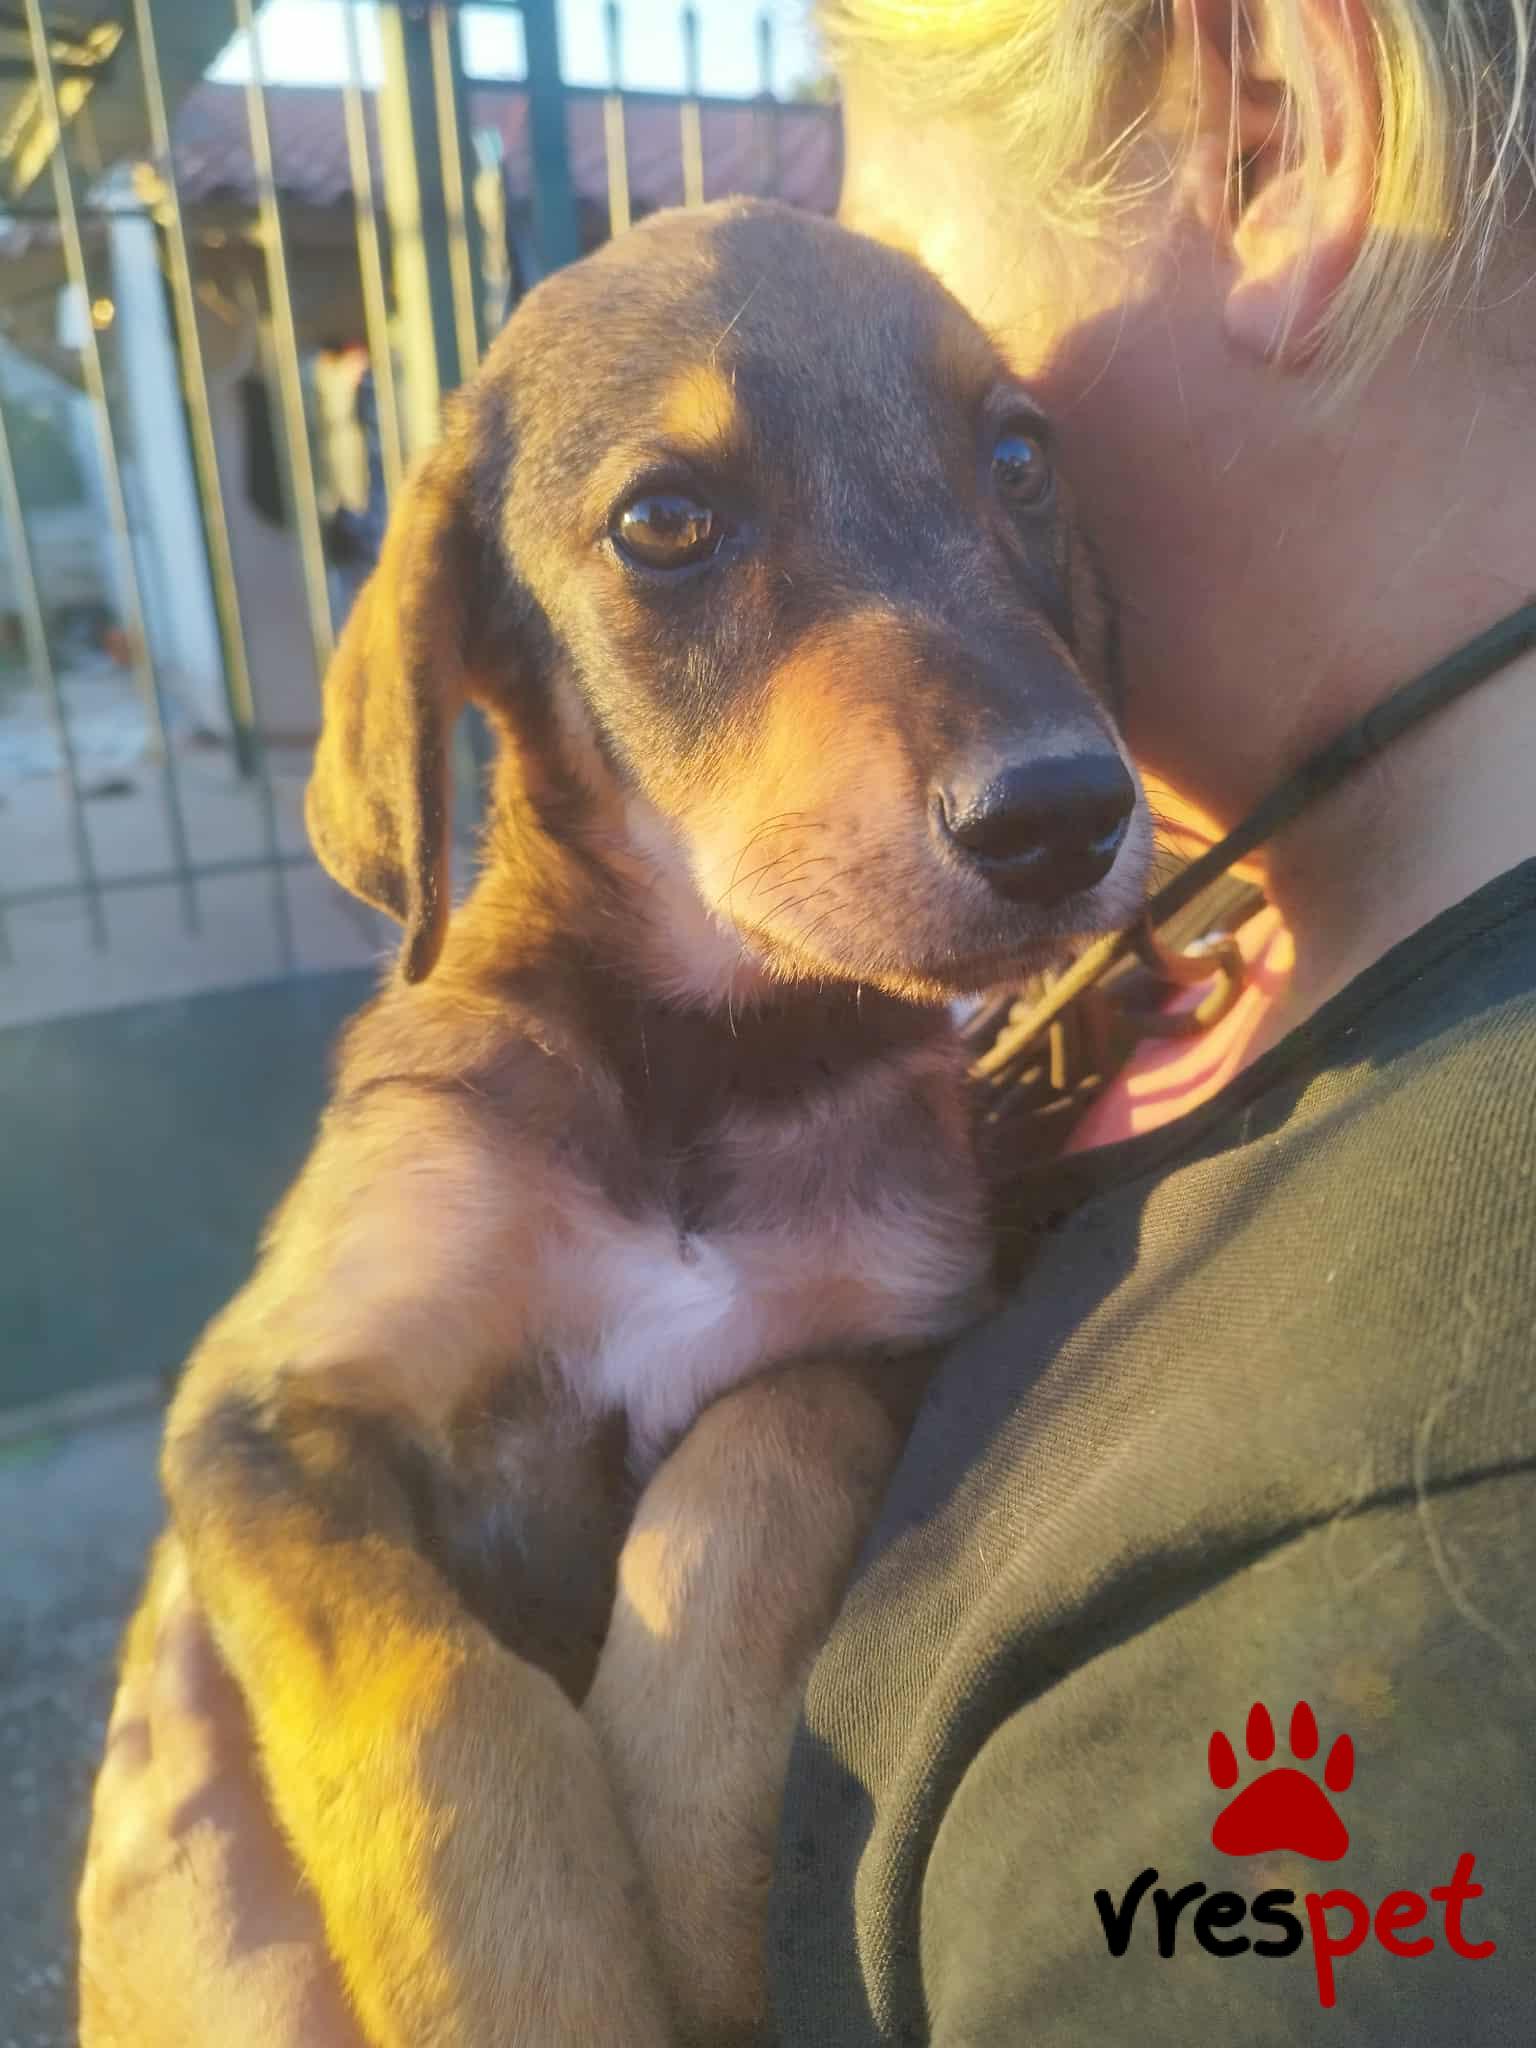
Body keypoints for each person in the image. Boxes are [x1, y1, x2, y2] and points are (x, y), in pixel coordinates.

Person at [77, 0, 1536, 2038]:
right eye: (674, 532)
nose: (981, 690)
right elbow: (260, 1437)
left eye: (1004, 463)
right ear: (477, 655)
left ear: (1279, 118)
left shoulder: (1392, 1459)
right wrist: (452, 1800)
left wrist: (770, 1488)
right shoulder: (478, 1097)